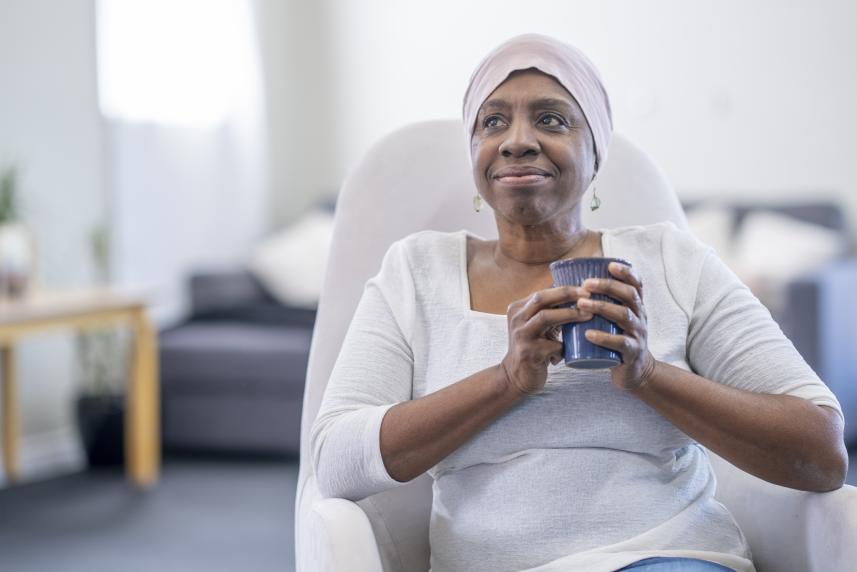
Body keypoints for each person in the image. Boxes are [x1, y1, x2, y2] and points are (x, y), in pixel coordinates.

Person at [310, 34, 848, 572]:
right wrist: (505, 380)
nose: (517, 140)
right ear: (474, 155)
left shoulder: (672, 262)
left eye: (551, 120)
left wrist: (649, 374)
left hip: (664, 558)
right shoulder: (416, 272)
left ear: (596, 155)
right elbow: (335, 460)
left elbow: (821, 452)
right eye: (492, 122)